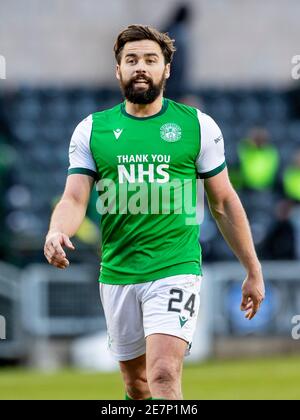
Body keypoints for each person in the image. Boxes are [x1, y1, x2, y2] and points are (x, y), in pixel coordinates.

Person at [44, 24, 265, 400]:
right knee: (137, 384)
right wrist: (56, 231)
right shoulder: (92, 130)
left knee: (163, 374)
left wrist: (253, 269)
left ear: (167, 69)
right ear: (118, 70)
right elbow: (74, 200)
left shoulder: (196, 125)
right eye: (131, 60)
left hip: (175, 268)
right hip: (117, 271)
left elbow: (224, 202)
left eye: (150, 59)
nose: (141, 67)